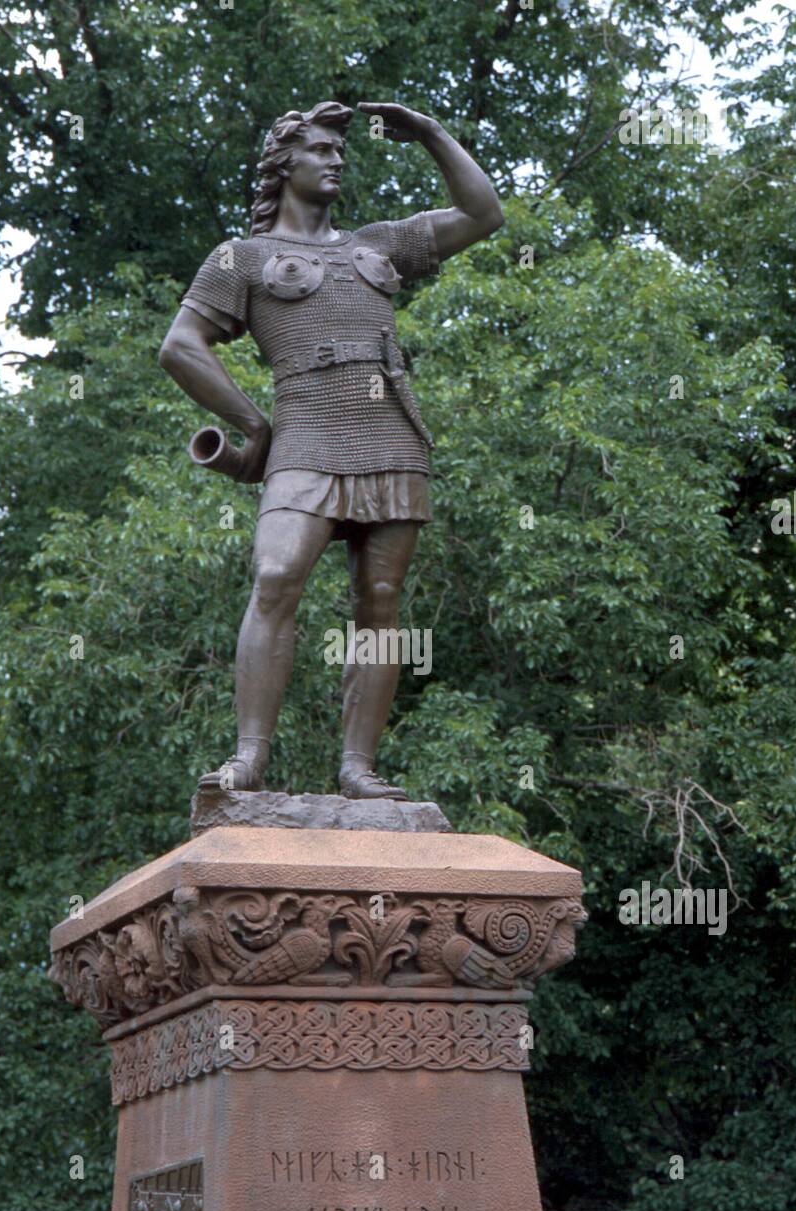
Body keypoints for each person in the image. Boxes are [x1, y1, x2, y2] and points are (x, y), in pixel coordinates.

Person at [159, 100, 503, 798]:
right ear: (283, 164)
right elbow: (179, 346)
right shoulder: (243, 257)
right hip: (306, 435)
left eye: (340, 151)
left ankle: (358, 769)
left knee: (380, 599)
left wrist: (432, 135)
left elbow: (483, 215)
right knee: (276, 575)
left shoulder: (377, 244)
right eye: (320, 150)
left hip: (391, 438)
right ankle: (249, 759)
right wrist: (253, 423)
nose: (336, 159)